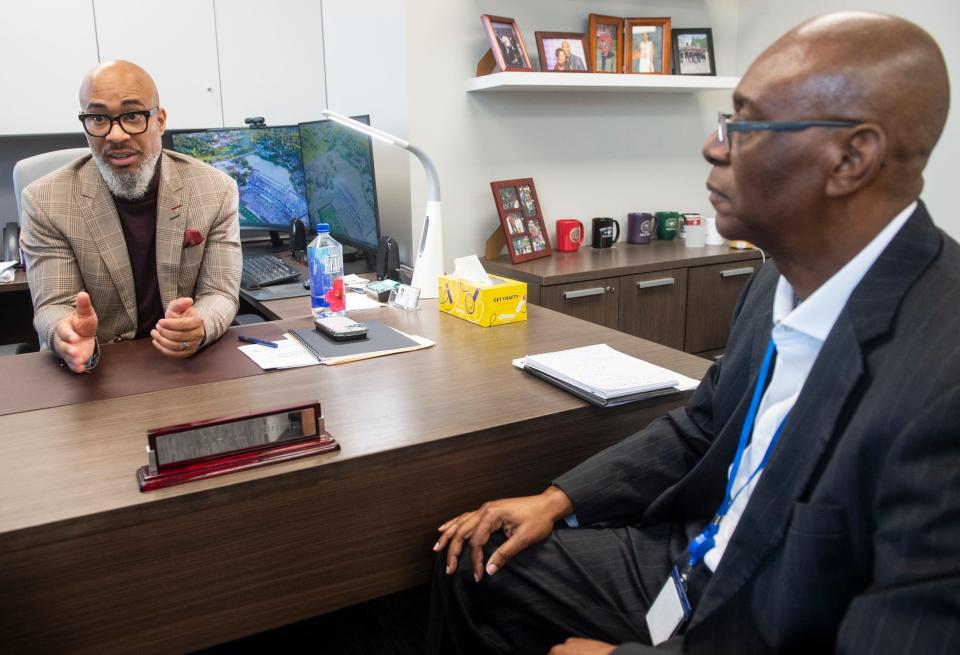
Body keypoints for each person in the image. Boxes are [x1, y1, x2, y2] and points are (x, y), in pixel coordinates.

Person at [431, 11, 957, 655]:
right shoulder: (776, 276)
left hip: (779, 614)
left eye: (746, 125)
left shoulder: (943, 378)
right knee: (472, 557)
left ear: (851, 158)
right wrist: (557, 500)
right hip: (692, 558)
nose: (714, 146)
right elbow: (701, 427)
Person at [19, 60, 241, 373]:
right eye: (98, 118)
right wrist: (66, 334)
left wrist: (199, 325)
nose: (117, 135)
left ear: (160, 121)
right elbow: (54, 304)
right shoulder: (45, 201)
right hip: (96, 370)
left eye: (133, 116)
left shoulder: (215, 190)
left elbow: (220, 292)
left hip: (183, 366)